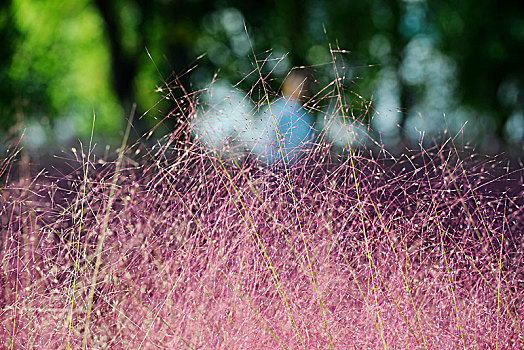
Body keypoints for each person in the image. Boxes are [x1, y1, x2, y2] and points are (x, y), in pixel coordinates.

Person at [247, 69, 315, 167]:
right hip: (287, 169)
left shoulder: (277, 108)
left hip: (271, 166)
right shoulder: (303, 116)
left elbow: (260, 139)